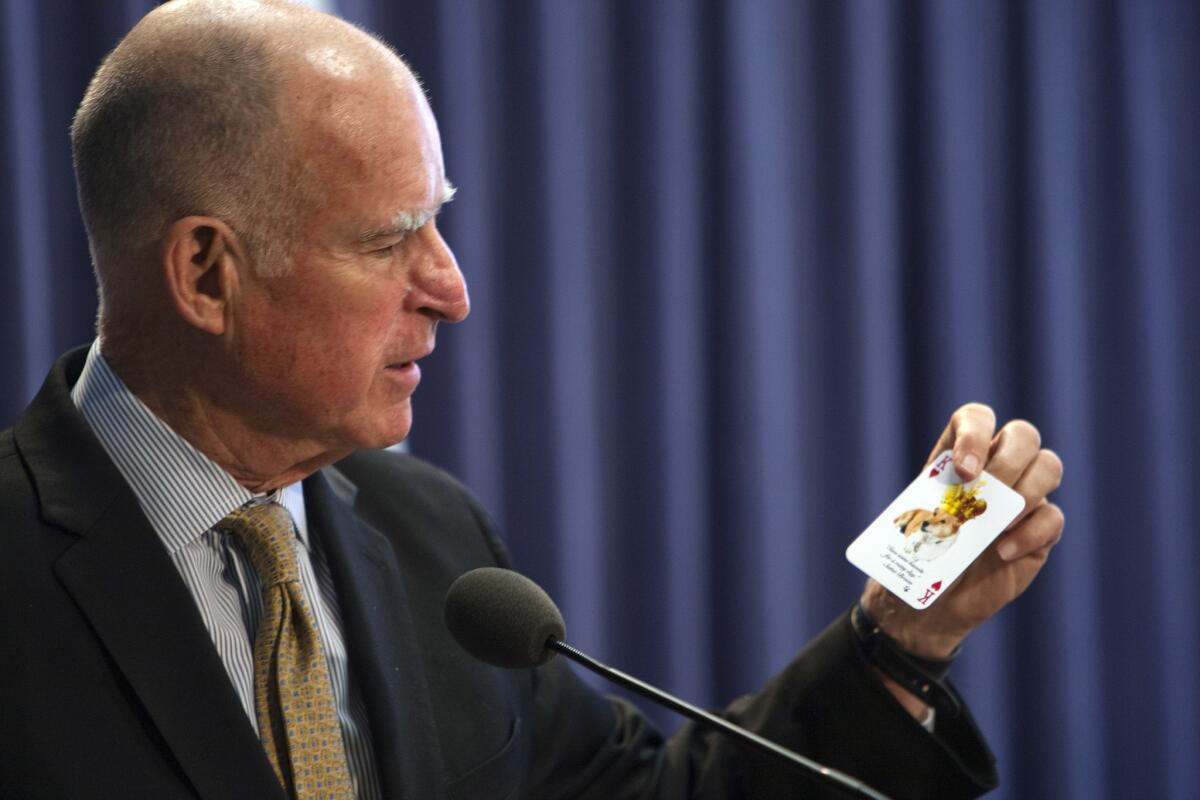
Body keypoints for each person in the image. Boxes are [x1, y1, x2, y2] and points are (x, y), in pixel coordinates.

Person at [0, 1, 1064, 798]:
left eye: (439, 220)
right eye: (388, 238)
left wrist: (895, 635)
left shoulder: (434, 534)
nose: (452, 289)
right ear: (206, 275)